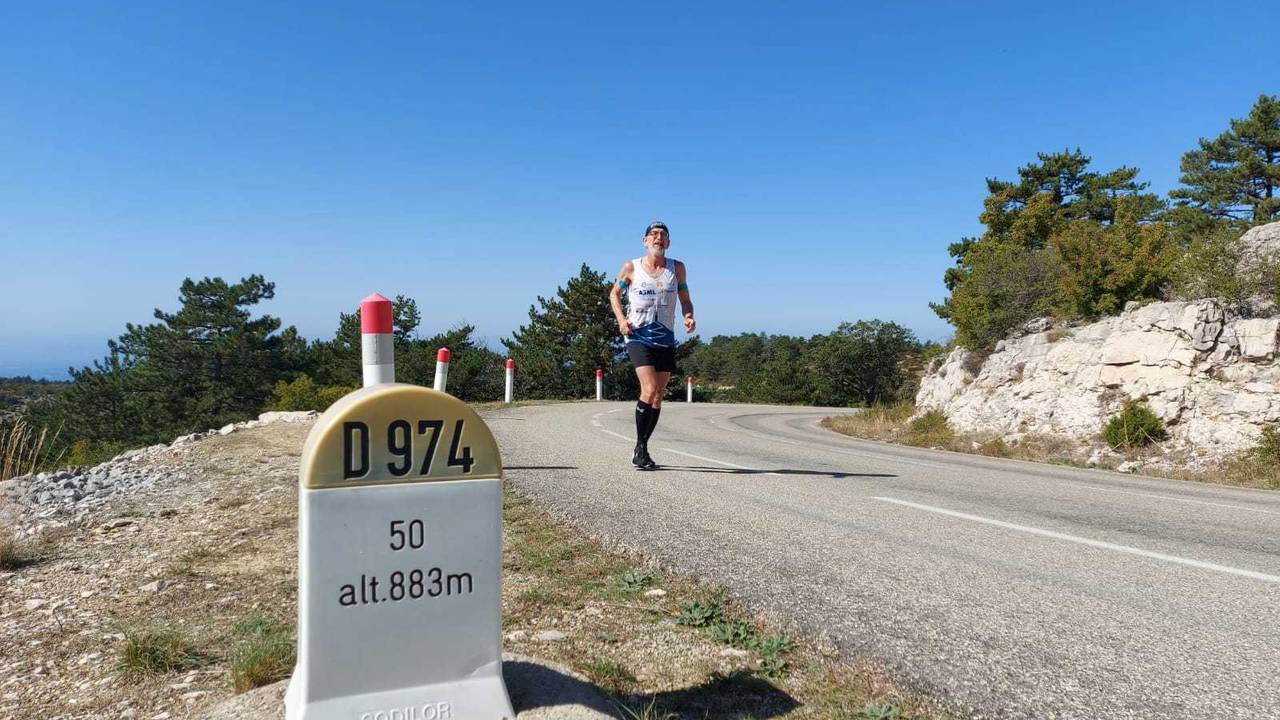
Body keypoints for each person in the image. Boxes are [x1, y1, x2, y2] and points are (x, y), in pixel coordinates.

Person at [609, 220, 695, 469]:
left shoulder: (677, 269)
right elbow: (614, 294)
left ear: (668, 243)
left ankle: (643, 446)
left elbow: (686, 299)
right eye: (653, 234)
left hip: (665, 337)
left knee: (658, 395)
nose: (658, 238)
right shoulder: (632, 267)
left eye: (663, 235)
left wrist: (688, 316)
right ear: (644, 240)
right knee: (648, 389)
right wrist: (621, 320)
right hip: (638, 336)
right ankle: (640, 446)